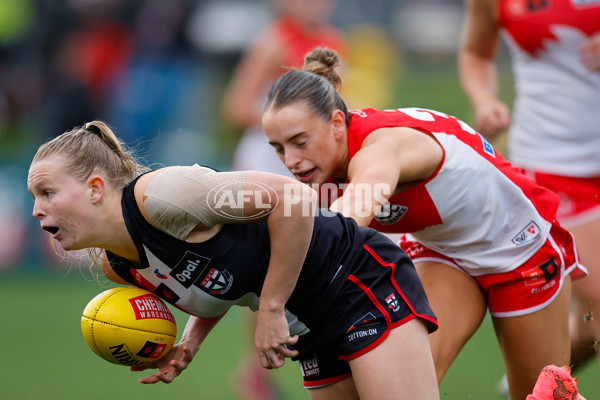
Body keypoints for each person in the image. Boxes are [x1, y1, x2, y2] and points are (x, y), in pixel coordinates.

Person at [27, 120, 440, 400]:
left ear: (96, 187)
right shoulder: (118, 265)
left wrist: (272, 307)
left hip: (357, 279)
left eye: (47, 193)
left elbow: (293, 199)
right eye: (33, 198)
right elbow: (217, 279)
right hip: (308, 324)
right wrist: (190, 342)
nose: (36, 211)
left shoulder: (162, 197)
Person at [261, 47, 586, 400]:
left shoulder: (381, 147)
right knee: (402, 386)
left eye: (299, 142)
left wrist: (276, 302)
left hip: (520, 249)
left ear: (338, 123)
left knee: (542, 396)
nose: (291, 161)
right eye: (279, 148)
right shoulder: (321, 164)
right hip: (442, 250)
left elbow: (349, 217)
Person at [457, 0, 600, 380]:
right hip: (555, 166)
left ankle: (534, 382)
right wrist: (485, 100)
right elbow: (475, 52)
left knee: (593, 321)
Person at [221, 0, 345, 176]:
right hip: (266, 159)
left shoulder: (333, 41)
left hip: (309, 159)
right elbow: (238, 109)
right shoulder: (273, 43)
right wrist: (293, 126)